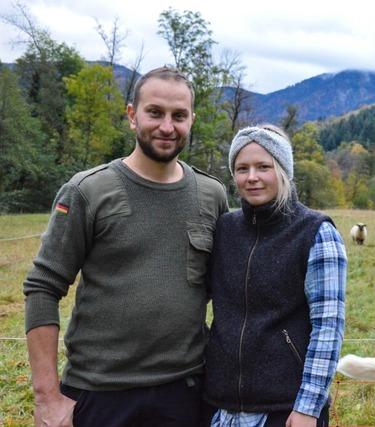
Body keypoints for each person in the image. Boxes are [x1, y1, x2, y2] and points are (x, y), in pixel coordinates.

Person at [23, 66, 228, 427]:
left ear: (192, 120)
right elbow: (42, 287)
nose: (167, 126)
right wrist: (47, 398)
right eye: (155, 112)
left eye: (179, 115)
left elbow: (226, 290)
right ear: (132, 115)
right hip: (99, 393)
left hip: (185, 392)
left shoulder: (211, 196)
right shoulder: (89, 191)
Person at [203, 125, 347, 427]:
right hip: (221, 406)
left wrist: (308, 406)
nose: (252, 177)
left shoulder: (316, 232)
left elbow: (328, 327)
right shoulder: (225, 230)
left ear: (282, 170)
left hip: (286, 409)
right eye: (242, 168)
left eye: (263, 167)